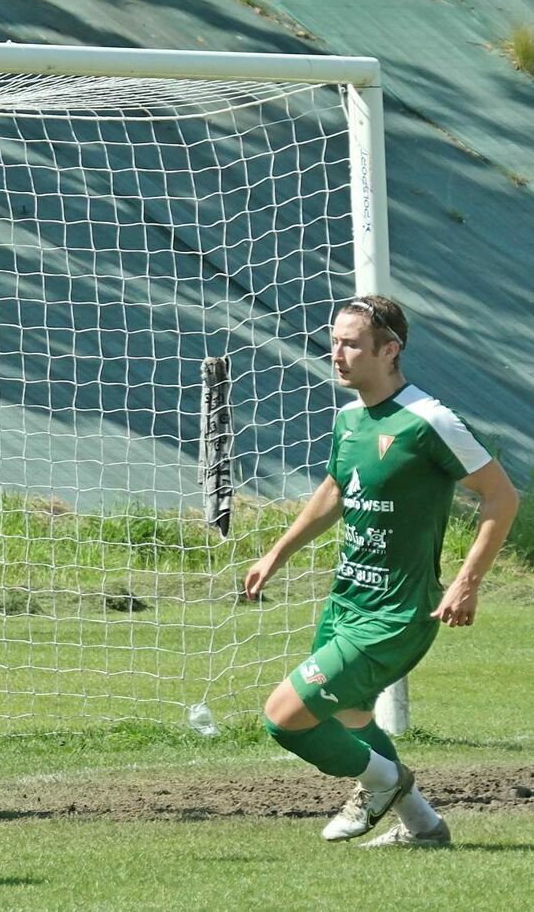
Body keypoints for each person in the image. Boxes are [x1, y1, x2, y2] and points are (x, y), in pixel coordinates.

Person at [245, 295, 518, 848]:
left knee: (284, 717)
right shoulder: (349, 418)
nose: (336, 354)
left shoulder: (431, 421)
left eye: (351, 344)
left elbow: (502, 497)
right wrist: (279, 552)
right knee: (350, 720)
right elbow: (337, 490)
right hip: (348, 602)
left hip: (397, 613)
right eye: (334, 340)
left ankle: (384, 783)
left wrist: (468, 582)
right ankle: (424, 827)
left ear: (389, 350)